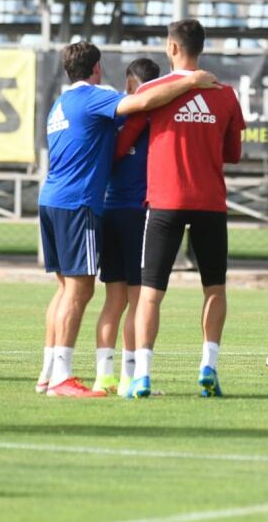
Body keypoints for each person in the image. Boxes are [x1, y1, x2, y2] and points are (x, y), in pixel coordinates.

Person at [35, 43, 217, 398]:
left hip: (51, 199)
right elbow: (143, 102)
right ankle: (62, 378)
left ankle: (48, 372)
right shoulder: (94, 97)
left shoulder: (60, 104)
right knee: (80, 289)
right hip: (78, 203)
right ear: (97, 68)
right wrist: (192, 80)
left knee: (65, 290)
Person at [113, 19, 245, 398]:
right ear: (201, 48)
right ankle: (208, 367)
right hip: (210, 203)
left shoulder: (153, 90)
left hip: (165, 203)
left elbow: (123, 145)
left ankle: (143, 375)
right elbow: (233, 154)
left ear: (171, 48)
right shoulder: (226, 94)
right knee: (215, 289)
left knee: (151, 294)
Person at [95, 58, 160, 396]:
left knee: (113, 300)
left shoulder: (112, 119)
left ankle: (102, 376)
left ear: (131, 85)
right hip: (138, 214)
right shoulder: (154, 121)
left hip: (108, 210)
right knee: (138, 300)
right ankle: (129, 379)